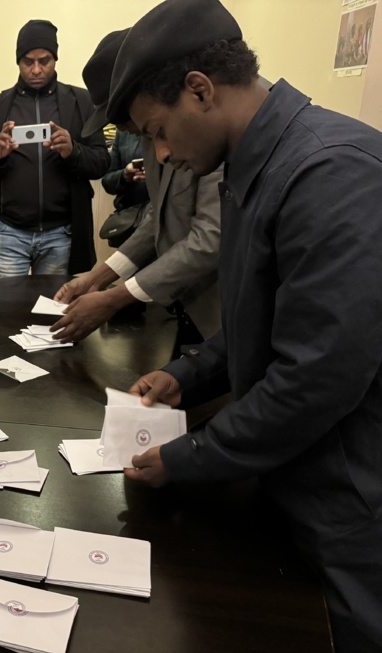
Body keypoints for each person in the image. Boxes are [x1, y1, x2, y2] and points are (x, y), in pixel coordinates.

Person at [104, 1, 382, 650]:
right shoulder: (255, 167)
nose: (163, 153)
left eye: (159, 129)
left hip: (350, 502)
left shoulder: (330, 171)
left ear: (200, 89)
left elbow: (318, 374)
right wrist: (186, 375)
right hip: (290, 481)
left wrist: (188, 455)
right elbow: (263, 320)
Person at [52, 28, 221, 348]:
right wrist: (98, 277)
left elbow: (209, 238)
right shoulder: (147, 132)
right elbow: (160, 214)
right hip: (191, 314)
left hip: (222, 318)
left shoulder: (210, 133)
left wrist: (114, 298)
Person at [0, 19, 110, 279]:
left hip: (62, 236)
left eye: (44, 61)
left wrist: (73, 151)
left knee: (52, 315)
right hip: (8, 235)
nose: (35, 70)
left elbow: (101, 163)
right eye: (27, 61)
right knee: (6, 317)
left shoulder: (81, 103)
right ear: (17, 61)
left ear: (55, 58)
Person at [100, 127, 148, 213]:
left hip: (162, 214)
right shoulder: (124, 131)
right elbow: (107, 182)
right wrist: (124, 175)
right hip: (129, 214)